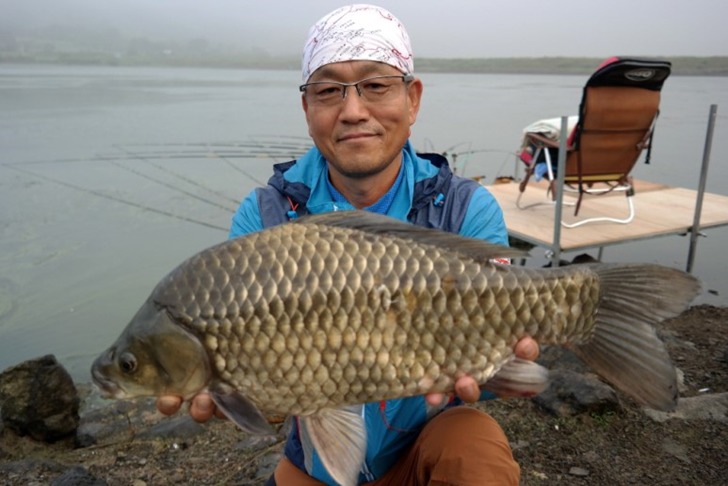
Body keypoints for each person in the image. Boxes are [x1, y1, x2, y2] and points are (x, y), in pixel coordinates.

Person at [157, 4, 539, 485]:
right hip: (316, 459)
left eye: (376, 86)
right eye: (328, 91)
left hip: (423, 445)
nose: (353, 111)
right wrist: (241, 396)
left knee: (474, 448)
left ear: (412, 99)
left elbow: (502, 358)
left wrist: (495, 371)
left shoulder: (465, 210)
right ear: (308, 108)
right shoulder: (265, 217)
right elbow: (263, 402)